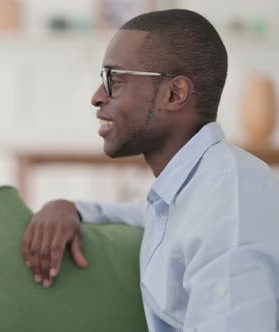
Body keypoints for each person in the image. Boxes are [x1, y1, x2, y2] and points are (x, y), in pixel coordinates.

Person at [22, 9, 279, 331]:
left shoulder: (230, 204)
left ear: (174, 94)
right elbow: (145, 214)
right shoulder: (192, 189)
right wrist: (71, 209)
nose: (97, 97)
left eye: (114, 80)